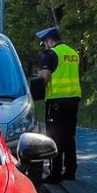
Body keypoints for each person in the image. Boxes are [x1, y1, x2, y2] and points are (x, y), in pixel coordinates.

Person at [36, 26, 81, 183]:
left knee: (54, 136)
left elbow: (45, 78)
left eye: (45, 43)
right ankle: (70, 171)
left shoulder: (50, 54)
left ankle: (55, 174)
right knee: (69, 136)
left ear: (49, 41)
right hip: (74, 98)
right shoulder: (73, 53)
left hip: (56, 100)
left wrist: (38, 78)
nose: (45, 46)